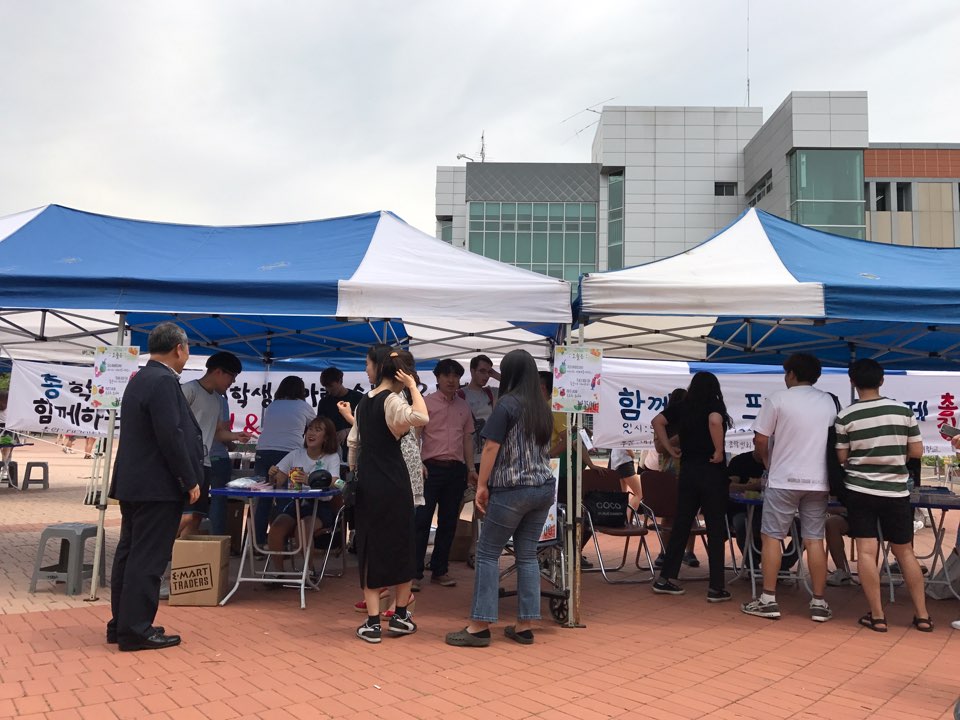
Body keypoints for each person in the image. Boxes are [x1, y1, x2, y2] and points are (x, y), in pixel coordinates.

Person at [446, 349, 556, 648]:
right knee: (527, 555)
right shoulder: (543, 408)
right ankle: (524, 625)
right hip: (543, 487)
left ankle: (479, 626)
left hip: (512, 488)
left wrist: (482, 485)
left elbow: (491, 447)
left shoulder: (507, 403)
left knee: (487, 553)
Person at [107, 322, 203, 651]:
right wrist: (189, 478)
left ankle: (122, 622)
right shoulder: (163, 381)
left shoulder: (140, 378)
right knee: (147, 558)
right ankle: (135, 629)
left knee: (130, 553)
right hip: (156, 485)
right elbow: (171, 434)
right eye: (187, 349)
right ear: (179, 348)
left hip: (134, 482)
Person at [835, 359, 931, 632]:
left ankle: (877, 616)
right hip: (896, 491)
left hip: (860, 490)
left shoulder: (846, 416)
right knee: (905, 552)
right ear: (882, 380)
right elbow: (917, 452)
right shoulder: (903, 411)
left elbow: (841, 457)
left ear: (852, 382)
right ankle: (923, 616)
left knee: (867, 551)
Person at [741, 352, 837, 623]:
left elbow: (760, 440)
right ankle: (819, 602)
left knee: (772, 537)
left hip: (783, 479)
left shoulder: (778, 399)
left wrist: (768, 462)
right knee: (814, 539)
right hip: (819, 481)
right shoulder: (828, 401)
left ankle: (768, 599)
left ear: (791, 374)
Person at [348, 350, 429, 644]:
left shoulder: (364, 402)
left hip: (368, 481)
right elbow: (421, 417)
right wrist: (412, 387)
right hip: (394, 482)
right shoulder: (393, 400)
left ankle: (372, 623)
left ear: (380, 367)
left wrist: (355, 471)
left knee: (370, 547)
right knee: (401, 545)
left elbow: (353, 443)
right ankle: (401, 616)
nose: (366, 370)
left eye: (367, 364)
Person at [651, 372, 733, 602]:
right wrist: (719, 450)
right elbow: (714, 420)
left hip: (688, 471)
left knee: (681, 524)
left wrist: (669, 447)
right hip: (712, 472)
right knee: (715, 528)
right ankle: (716, 587)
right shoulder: (714, 405)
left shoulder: (683, 406)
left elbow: (657, 421)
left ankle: (665, 578)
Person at [415, 359, 477, 590]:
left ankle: (439, 570)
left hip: (456, 470)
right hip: (429, 469)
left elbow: (468, 439)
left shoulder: (464, 406)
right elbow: (414, 436)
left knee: (449, 522)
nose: (451, 380)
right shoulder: (425, 403)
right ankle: (414, 573)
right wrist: (417, 463)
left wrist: (471, 469)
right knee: (421, 521)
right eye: (446, 375)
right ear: (438, 378)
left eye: (455, 376)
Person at [178, 352, 249, 538]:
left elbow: (217, 432)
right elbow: (172, 424)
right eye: (232, 376)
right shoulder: (189, 390)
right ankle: (161, 549)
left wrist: (236, 436)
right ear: (218, 372)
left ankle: (183, 554)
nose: (233, 382)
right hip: (186, 461)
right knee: (185, 515)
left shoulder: (218, 400)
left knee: (196, 516)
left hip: (205, 463)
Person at [265, 417, 341, 573]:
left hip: (321, 506)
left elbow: (337, 482)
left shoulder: (331, 457)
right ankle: (278, 572)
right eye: (310, 429)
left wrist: (309, 479)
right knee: (276, 528)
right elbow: (278, 481)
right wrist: (272, 475)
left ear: (326, 438)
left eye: (317, 430)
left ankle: (309, 571)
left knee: (303, 528)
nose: (311, 433)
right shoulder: (296, 454)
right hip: (297, 503)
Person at [252, 375, 317, 547]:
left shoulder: (273, 405)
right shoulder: (304, 406)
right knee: (289, 498)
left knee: (262, 498)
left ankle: (257, 544)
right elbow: (316, 427)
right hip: (291, 454)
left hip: (263, 452)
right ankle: (282, 544)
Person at [316, 366, 364, 452]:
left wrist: (348, 430)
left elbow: (367, 424)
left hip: (355, 446)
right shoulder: (324, 402)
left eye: (331, 386)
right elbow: (320, 425)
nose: (328, 390)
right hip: (333, 447)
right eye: (325, 387)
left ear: (340, 381)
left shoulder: (358, 398)